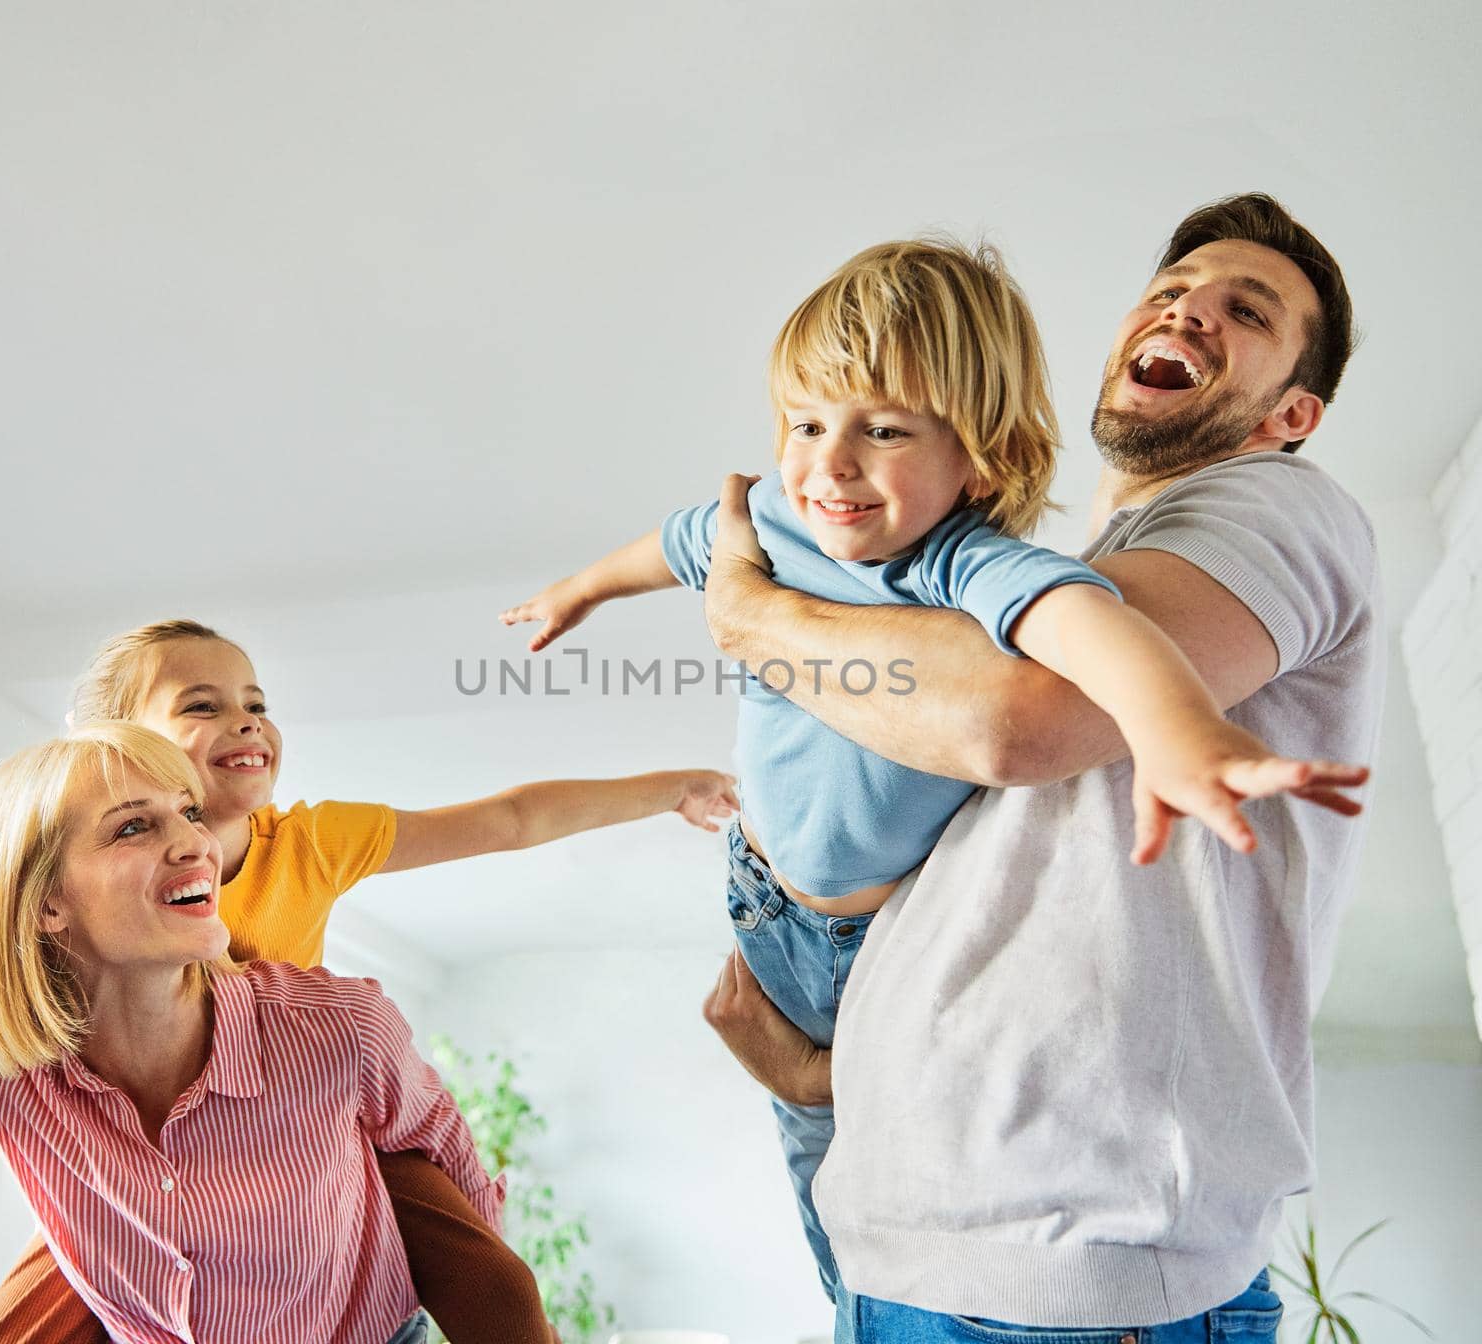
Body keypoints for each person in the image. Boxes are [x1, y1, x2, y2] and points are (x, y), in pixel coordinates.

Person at [501, 238, 1364, 1301]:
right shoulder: (773, 517)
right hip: (776, 913)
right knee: (819, 1183)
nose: (828, 460)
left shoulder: (992, 561)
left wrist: (1178, 725)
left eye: (1246, 310)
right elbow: (671, 543)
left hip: (1059, 1241)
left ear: (1290, 416)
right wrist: (574, 593)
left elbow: (1051, 681)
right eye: (1171, 291)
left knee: (820, 1168)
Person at [0, 617, 737, 1344]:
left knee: (484, 1272)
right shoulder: (56, 933)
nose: (247, 723)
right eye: (202, 706)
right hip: (143, 1161)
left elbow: (508, 820)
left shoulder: (310, 850)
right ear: (111, 740)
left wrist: (670, 789)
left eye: (257, 704)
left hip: (324, 1119)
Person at [0, 721, 501, 1343]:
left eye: (191, 812)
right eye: (133, 826)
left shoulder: (339, 1029)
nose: (197, 845)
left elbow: (462, 1195)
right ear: (46, 903)